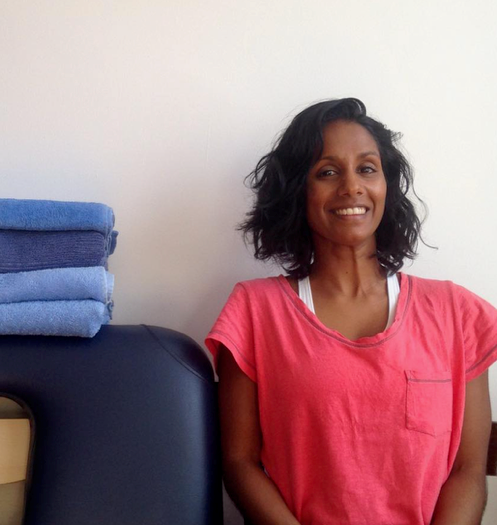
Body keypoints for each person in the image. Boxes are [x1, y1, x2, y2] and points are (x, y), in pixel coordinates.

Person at [205, 98, 497, 525]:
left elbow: (468, 471)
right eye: (327, 172)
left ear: (386, 185)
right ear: (297, 191)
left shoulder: (457, 313)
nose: (351, 187)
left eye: (366, 168)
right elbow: (240, 463)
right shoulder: (252, 312)